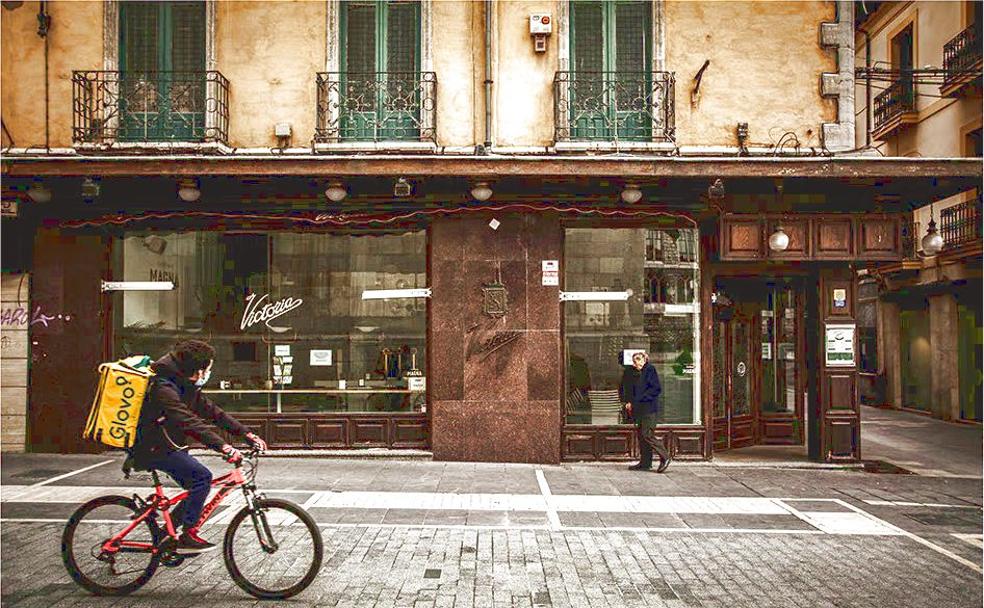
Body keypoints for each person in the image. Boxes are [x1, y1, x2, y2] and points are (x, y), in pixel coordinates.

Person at [130, 340, 268, 552]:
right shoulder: (163, 387)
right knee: (201, 478)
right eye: (208, 369)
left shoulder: (182, 383)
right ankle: (188, 534)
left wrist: (245, 433)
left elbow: (212, 412)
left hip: (164, 444)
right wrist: (223, 447)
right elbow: (188, 421)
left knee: (197, 484)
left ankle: (166, 534)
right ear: (197, 370)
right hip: (150, 447)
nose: (209, 372)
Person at [624, 351, 671, 473]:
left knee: (647, 435)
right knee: (642, 436)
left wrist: (641, 400)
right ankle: (645, 463)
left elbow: (656, 389)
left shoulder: (650, 370)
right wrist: (630, 402)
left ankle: (665, 456)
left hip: (649, 409)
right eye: (634, 361)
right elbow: (633, 390)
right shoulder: (637, 373)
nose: (635, 364)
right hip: (639, 410)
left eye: (638, 360)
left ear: (644, 359)